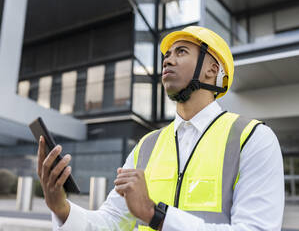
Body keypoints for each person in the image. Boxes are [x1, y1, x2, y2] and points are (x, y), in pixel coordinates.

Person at [37, 26, 284, 231]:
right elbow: (111, 223)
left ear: (212, 69)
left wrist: (155, 215)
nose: (168, 59)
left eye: (181, 51)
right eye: (166, 55)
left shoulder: (253, 139)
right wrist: (61, 209)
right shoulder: (146, 146)